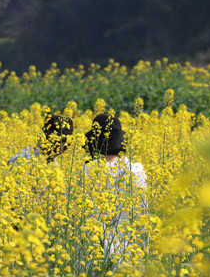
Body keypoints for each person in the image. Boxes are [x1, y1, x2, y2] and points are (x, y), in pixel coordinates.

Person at [84, 113, 147, 263]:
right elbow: (142, 217)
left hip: (93, 258)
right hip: (128, 256)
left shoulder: (86, 171)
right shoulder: (137, 170)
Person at [8, 113, 74, 165]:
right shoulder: (25, 159)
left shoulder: (53, 164)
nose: (65, 147)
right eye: (63, 141)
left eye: (68, 143)